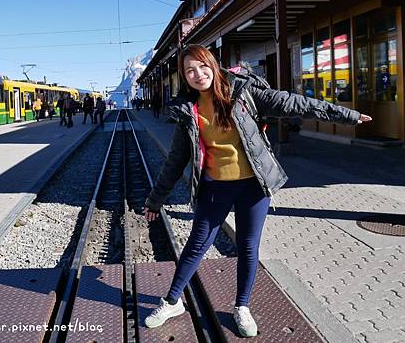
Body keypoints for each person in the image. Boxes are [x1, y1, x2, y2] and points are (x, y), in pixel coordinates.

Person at [142, 44, 372, 336]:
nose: (198, 74)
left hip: (253, 187)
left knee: (248, 247)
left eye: (202, 66)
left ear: (213, 65)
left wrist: (347, 116)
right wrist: (156, 199)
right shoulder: (188, 110)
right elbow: (176, 161)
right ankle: (172, 301)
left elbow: (295, 104)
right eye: (189, 70)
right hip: (215, 189)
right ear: (184, 77)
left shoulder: (243, 93)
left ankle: (242, 307)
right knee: (196, 245)